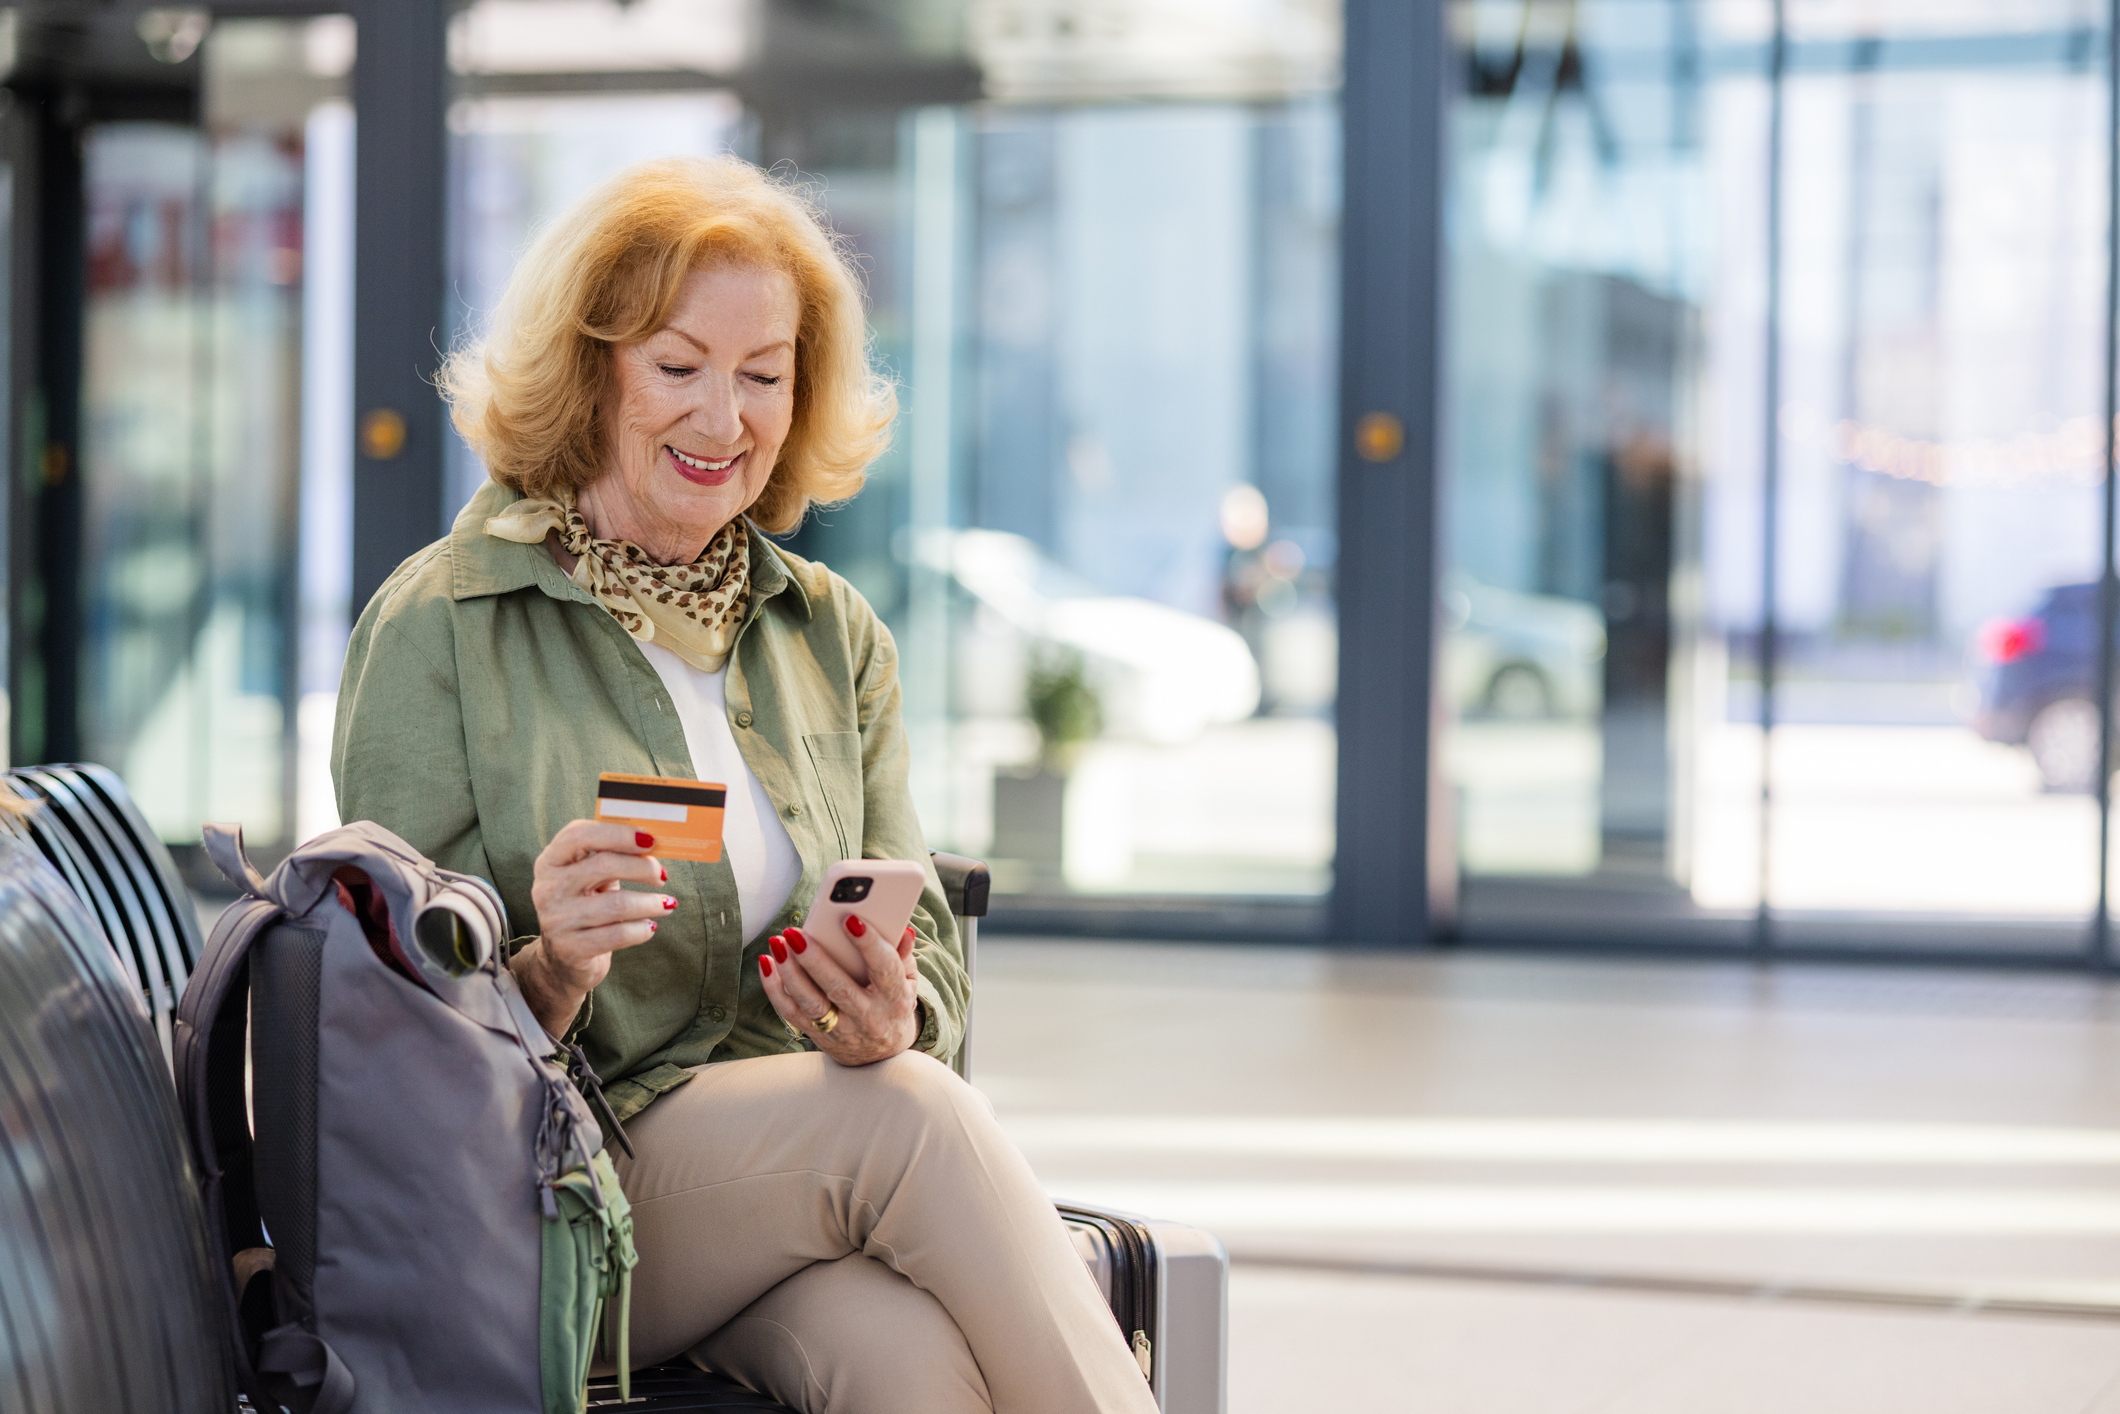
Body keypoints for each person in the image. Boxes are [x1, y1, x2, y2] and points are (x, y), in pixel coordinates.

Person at [332, 156, 1157, 1414]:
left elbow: (922, 939)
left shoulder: (828, 631)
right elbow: (386, 1034)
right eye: (678, 368)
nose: (725, 420)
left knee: (912, 1368)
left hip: (767, 1201)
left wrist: (892, 1015)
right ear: (590, 369)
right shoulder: (443, 621)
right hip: (536, 1200)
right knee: (913, 1123)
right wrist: (550, 962)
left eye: (763, 375)